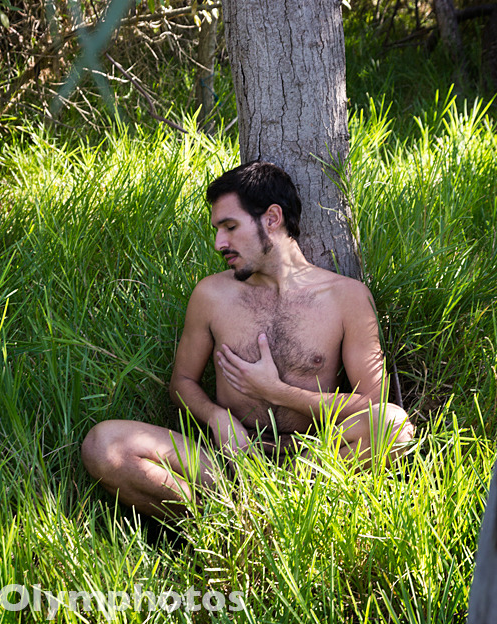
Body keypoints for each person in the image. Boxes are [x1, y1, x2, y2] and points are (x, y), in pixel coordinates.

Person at [81, 161, 414, 517]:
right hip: (226, 462)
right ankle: (227, 521)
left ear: (272, 218)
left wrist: (278, 392)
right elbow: (182, 382)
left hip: (313, 462)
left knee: (393, 426)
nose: (219, 243)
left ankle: (286, 508)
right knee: (104, 444)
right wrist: (216, 417)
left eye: (230, 227)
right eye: (217, 230)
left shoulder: (347, 297)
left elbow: (372, 402)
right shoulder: (211, 295)